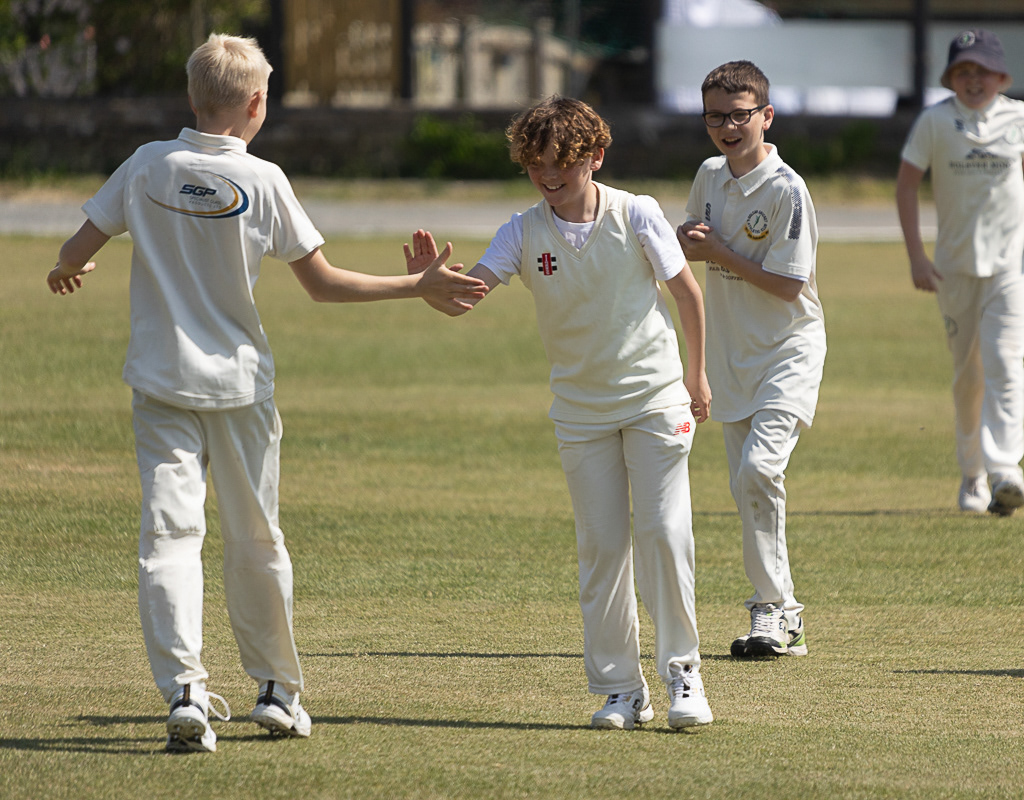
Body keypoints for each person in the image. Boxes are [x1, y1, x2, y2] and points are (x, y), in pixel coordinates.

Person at [46, 33, 488, 754]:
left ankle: (185, 693)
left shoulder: (146, 163)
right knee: (254, 539)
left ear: (193, 97)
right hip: (239, 387)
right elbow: (323, 284)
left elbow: (75, 251)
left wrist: (66, 270)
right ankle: (278, 692)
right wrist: (417, 284)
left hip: (160, 383)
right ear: (256, 103)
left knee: (168, 539)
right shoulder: (264, 178)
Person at [408, 95, 714, 730]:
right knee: (602, 548)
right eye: (535, 164)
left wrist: (696, 376)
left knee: (664, 534)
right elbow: (466, 298)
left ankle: (684, 674)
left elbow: (687, 293)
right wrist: (426, 287)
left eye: (561, 163)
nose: (548, 175)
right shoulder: (522, 231)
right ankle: (621, 690)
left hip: (655, 399)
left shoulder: (636, 212)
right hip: (580, 412)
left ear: (595, 157)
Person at [676, 61, 825, 660]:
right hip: (731, 355)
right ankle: (781, 615)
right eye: (715, 116)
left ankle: (774, 609)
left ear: (766, 116)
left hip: (789, 350)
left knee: (760, 470)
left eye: (740, 115)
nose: (728, 127)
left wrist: (717, 250)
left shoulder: (787, 189)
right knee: (747, 487)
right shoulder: (709, 175)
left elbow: (788, 286)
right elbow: (690, 244)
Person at [895, 29, 1024, 516]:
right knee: (969, 376)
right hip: (954, 270)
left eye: (982, 70)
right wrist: (917, 257)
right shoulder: (934, 122)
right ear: (950, 78)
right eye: (963, 70)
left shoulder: (1020, 117)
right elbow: (906, 186)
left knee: (1005, 362)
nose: (973, 79)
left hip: (1011, 266)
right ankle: (973, 476)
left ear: (1001, 76)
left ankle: (1006, 471)